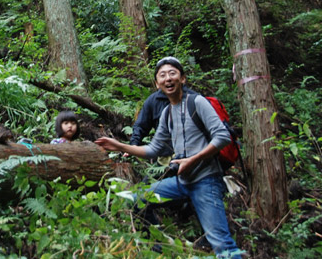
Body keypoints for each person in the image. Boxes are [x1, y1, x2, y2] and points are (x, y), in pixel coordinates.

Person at [95, 57, 242, 259]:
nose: (168, 78)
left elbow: (223, 136)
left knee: (221, 243)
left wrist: (193, 160)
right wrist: (120, 146)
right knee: (136, 200)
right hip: (181, 181)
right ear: (157, 84)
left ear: (182, 79)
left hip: (206, 181)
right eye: (162, 75)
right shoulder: (167, 113)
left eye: (172, 73)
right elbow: (154, 149)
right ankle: (159, 249)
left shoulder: (197, 102)